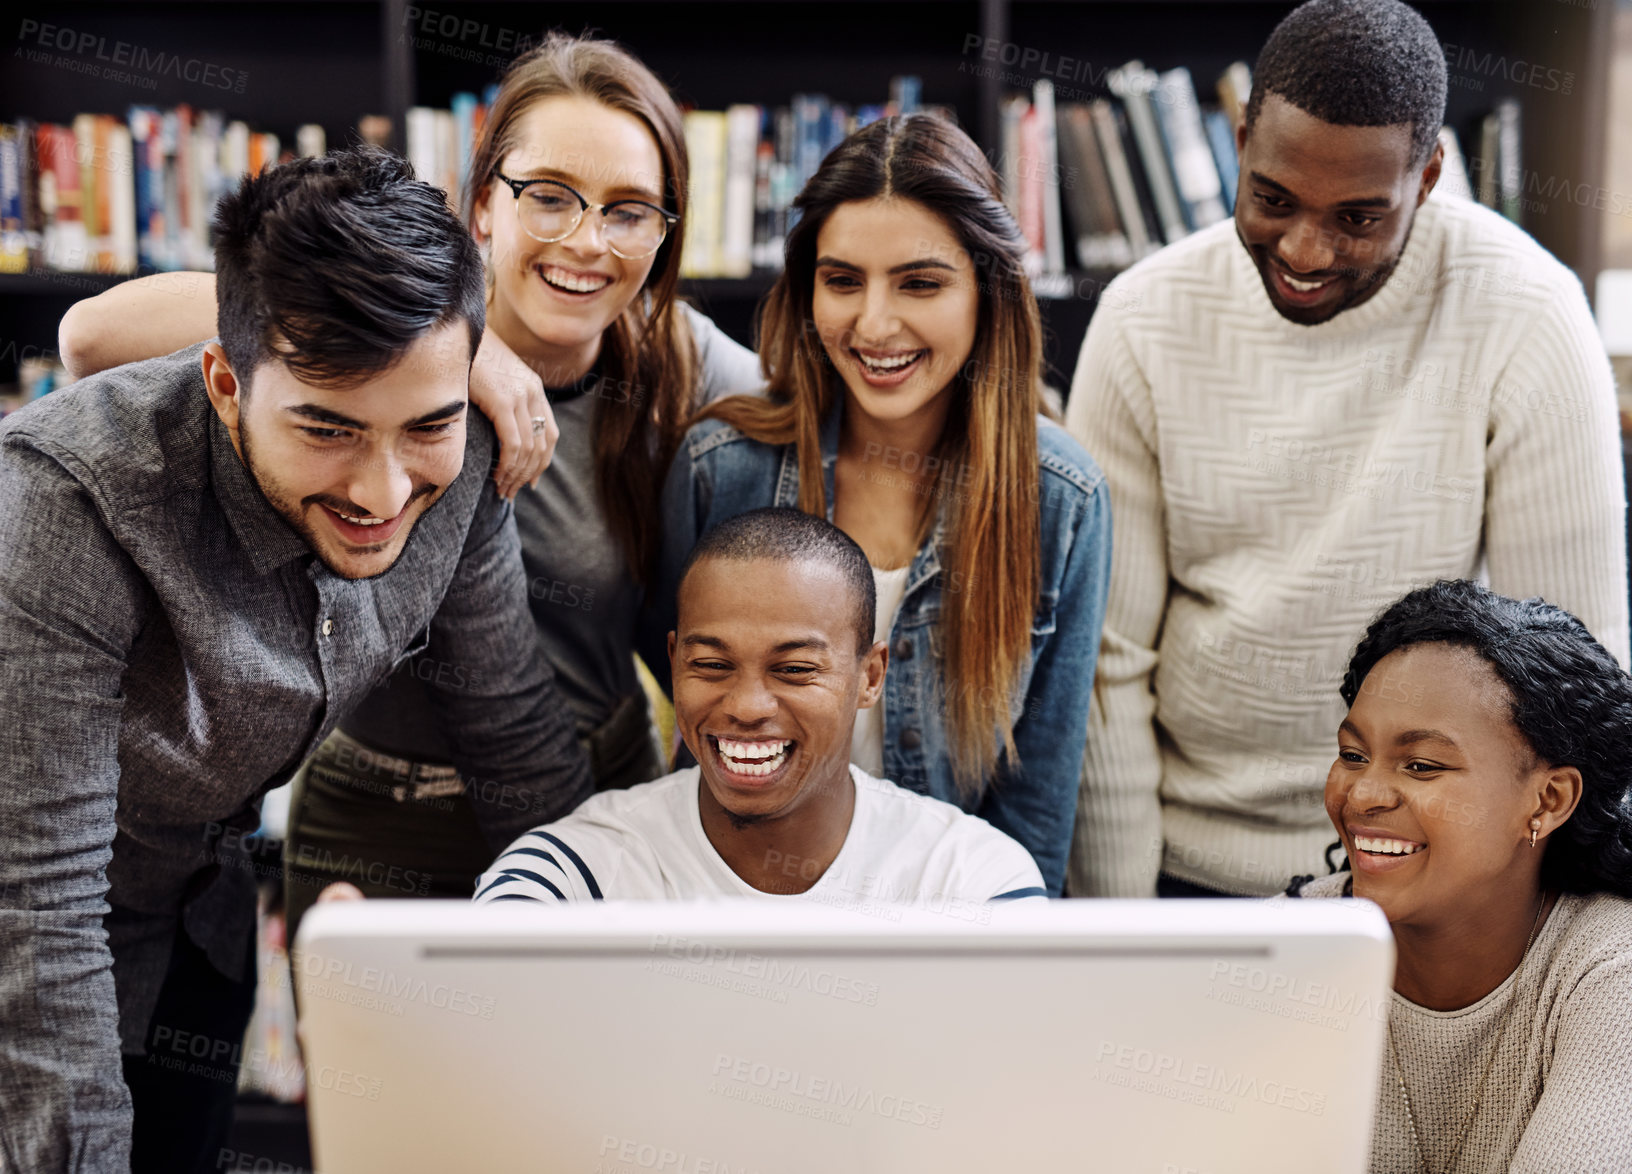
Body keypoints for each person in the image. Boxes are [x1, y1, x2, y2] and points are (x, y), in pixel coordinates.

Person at [58, 33, 763, 938]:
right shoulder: (391, 327)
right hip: (375, 809)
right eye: (549, 197)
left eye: (630, 211)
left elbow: (840, 428)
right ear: (481, 207)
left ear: (666, 231)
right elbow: (88, 338)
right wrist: (470, 353)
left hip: (589, 795)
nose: (588, 241)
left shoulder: (683, 366)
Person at [0, 148, 591, 1172]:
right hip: (42, 934)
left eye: (427, 426)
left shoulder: (464, 463)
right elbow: (39, 914)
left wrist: (605, 1002)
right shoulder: (66, 503)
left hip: (203, 920)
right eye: (326, 428)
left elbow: (517, 746)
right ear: (225, 385)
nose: (381, 489)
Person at [1065, 0, 1630, 899]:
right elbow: (1106, 669)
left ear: (1430, 175)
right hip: (1190, 871)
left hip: (1434, 881)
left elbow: (1576, 680)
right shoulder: (1144, 320)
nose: (1304, 249)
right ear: (1241, 138)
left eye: (1360, 219)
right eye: (1273, 199)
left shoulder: (1528, 315)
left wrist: (1522, 935)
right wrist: (1126, 932)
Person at [651, 113, 1111, 896]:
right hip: (728, 907)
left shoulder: (1061, 497)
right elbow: (693, 728)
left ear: (987, 291)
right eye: (842, 280)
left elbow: (1034, 812)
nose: (873, 324)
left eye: (920, 283)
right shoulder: (720, 470)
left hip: (947, 932)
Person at [1286, 580, 1632, 1172]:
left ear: (1547, 801)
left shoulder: (1621, 963)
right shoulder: (1289, 943)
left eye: (1422, 765)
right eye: (1353, 755)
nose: (1363, 794)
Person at [477, 508, 1046, 906]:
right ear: (674, 664)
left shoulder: (970, 882)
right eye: (713, 666)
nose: (747, 707)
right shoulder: (571, 877)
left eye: (795, 669)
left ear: (869, 677)